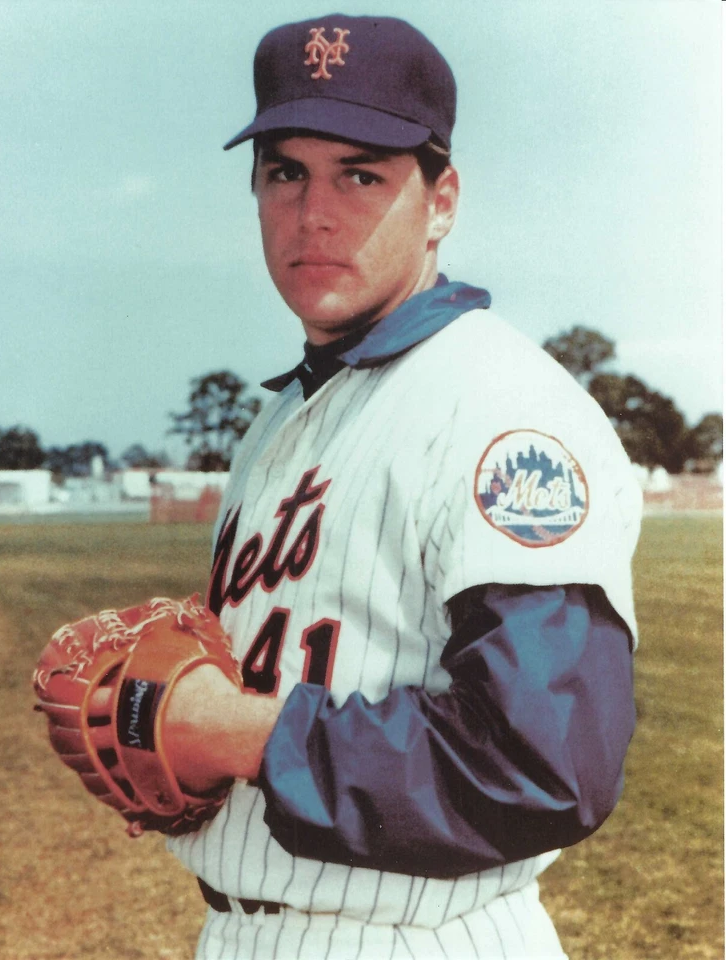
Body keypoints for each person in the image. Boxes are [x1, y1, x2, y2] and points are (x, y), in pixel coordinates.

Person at [161, 14, 642, 959]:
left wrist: (244, 736)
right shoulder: (284, 416)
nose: (314, 213)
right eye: (284, 171)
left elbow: (541, 765)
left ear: (442, 198)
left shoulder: (501, 410)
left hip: (415, 939)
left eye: (361, 173)